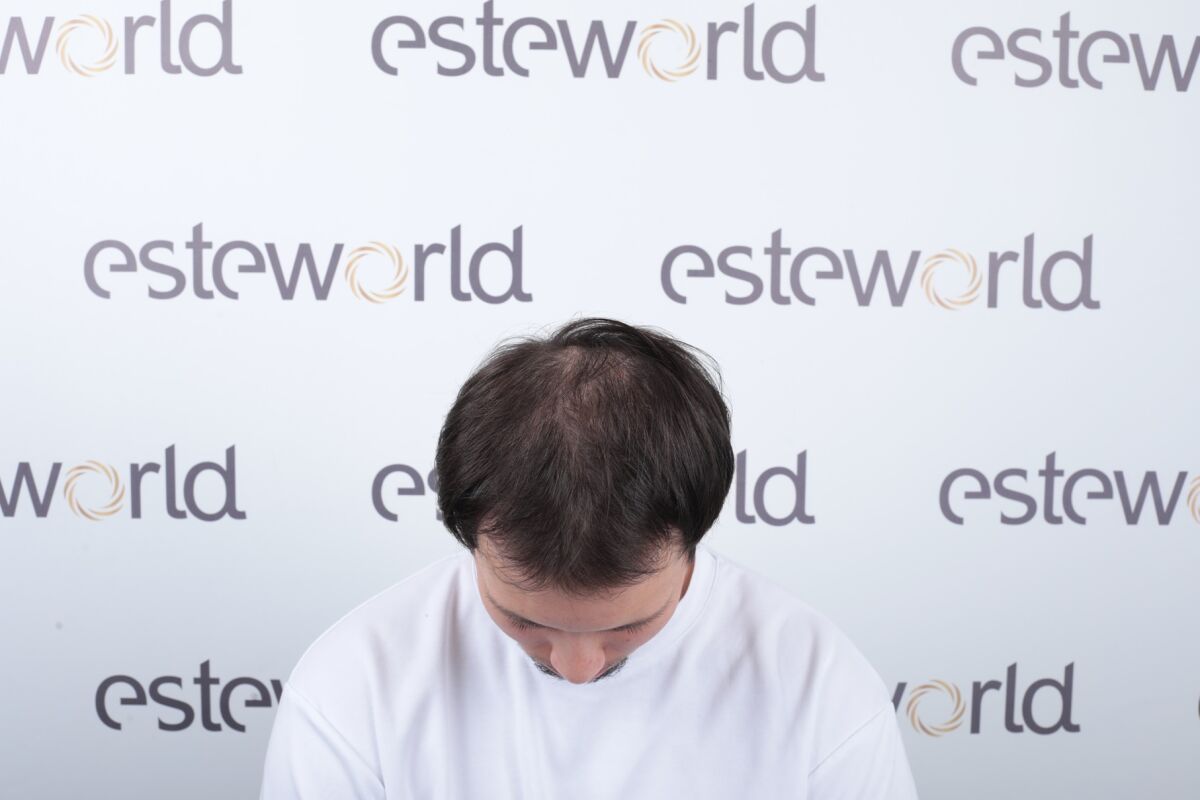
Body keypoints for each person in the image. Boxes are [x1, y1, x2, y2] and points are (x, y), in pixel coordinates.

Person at [259, 317, 919, 799]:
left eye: (628, 627)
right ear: (470, 538)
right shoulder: (354, 684)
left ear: (693, 535)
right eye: (524, 622)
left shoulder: (818, 689)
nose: (577, 670)